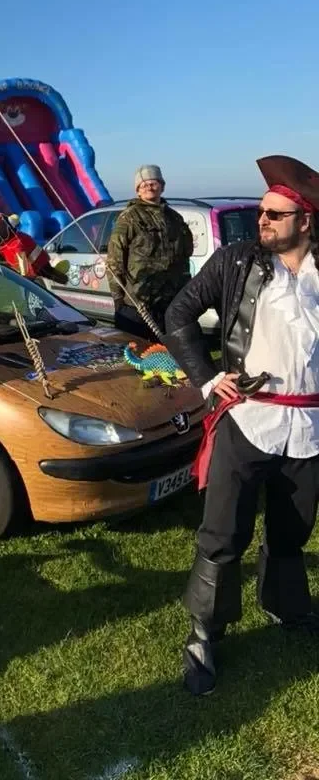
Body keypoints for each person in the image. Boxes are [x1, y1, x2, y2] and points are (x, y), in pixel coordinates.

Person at [163, 154, 319, 696]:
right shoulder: (236, 261)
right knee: (223, 533)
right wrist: (208, 379)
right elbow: (178, 314)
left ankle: (284, 603)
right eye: (261, 212)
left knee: (291, 529)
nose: (263, 220)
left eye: (275, 213)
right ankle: (204, 632)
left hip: (309, 428)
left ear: (305, 220)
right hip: (247, 420)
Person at [106, 164, 193, 339]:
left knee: (171, 357)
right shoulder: (129, 218)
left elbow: (185, 255)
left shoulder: (175, 218)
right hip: (138, 304)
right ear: (137, 191)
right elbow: (114, 261)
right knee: (137, 356)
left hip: (171, 301)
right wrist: (119, 301)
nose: (148, 187)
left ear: (162, 186)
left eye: (153, 182)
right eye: (143, 184)